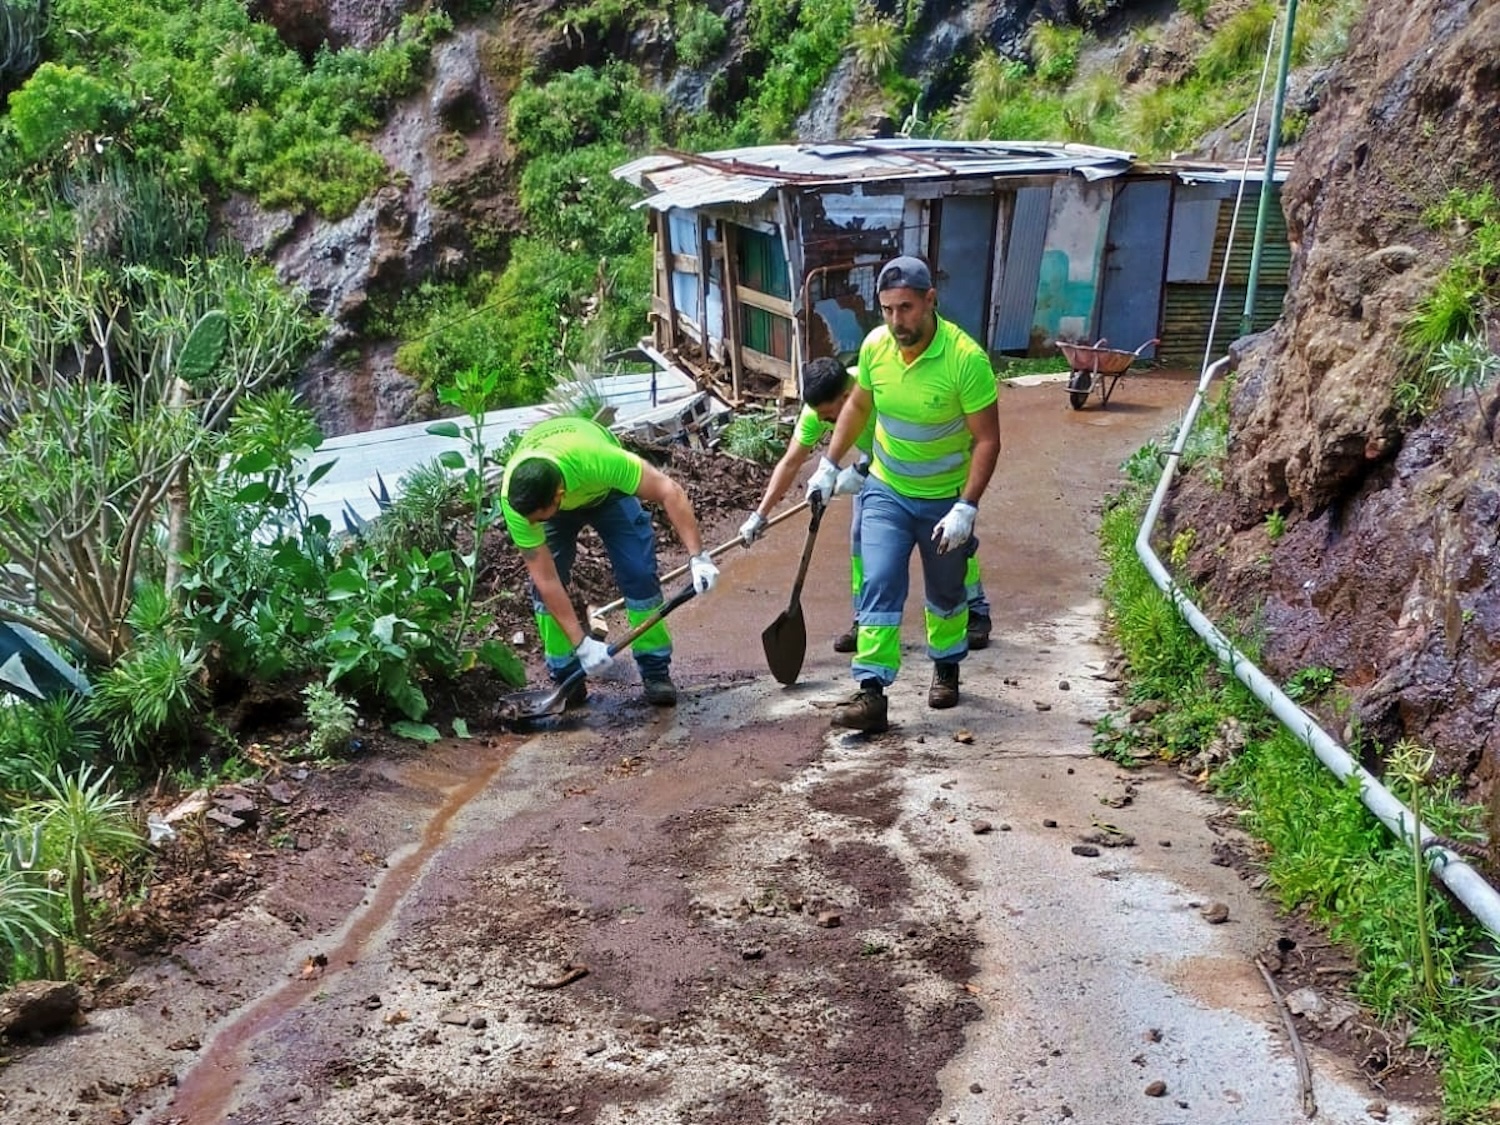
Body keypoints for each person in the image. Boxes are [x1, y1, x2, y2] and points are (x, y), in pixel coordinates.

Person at [805, 255, 1000, 733]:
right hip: (887, 491)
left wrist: (966, 507)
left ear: (931, 300)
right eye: (888, 310)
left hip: (943, 501)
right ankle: (871, 692)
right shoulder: (876, 347)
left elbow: (988, 440)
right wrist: (830, 464)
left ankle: (946, 666)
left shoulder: (966, 360)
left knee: (946, 592)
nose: (897, 322)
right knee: (879, 580)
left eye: (906, 308)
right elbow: (858, 406)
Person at [738, 357, 993, 654]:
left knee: (949, 540)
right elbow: (791, 461)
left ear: (848, 398)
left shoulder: (886, 390)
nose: (824, 421)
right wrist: (760, 515)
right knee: (862, 540)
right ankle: (866, 620)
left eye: (829, 416)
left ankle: (976, 611)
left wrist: (862, 471)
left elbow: (919, 442)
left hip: (931, 468)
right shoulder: (818, 409)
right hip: (878, 468)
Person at [500, 415, 719, 708]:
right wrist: (581, 643)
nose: (533, 525)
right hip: (552, 492)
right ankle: (566, 677)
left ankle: (654, 669)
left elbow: (669, 491)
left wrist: (698, 556)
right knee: (544, 590)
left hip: (606, 491)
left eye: (538, 519)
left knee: (639, 572)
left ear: (559, 496)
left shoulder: (601, 460)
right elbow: (546, 578)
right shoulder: (518, 503)